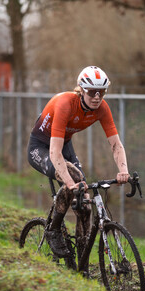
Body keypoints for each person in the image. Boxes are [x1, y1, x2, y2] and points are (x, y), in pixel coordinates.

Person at [27, 65, 130, 258]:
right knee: (73, 179)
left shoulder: (101, 108)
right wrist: (69, 182)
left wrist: (123, 170)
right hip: (41, 147)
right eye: (92, 92)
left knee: (84, 203)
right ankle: (53, 229)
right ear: (81, 89)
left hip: (64, 144)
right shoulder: (66, 104)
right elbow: (54, 152)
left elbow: (116, 144)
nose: (97, 97)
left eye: (102, 92)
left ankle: (82, 265)